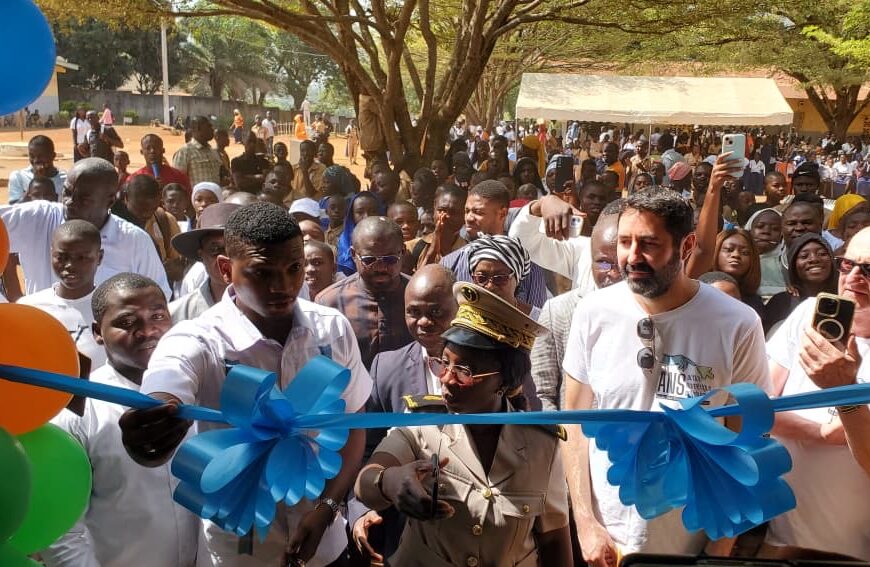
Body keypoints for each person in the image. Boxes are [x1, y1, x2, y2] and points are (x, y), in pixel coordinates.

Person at [121, 203, 372, 566]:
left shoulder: (331, 329)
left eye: (294, 268)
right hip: (241, 551)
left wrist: (327, 509)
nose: (283, 286)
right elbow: (170, 374)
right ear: (226, 269)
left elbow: (351, 428)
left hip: (326, 545)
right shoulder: (198, 338)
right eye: (262, 273)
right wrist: (156, 411)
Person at [562, 189, 771, 563]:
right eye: (625, 242)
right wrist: (584, 521)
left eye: (648, 244)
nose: (632, 257)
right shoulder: (592, 313)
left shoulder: (737, 324)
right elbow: (574, 423)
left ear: (687, 244)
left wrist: (721, 544)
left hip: (691, 542)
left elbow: (747, 437)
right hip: (607, 542)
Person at [355, 282, 571, 566]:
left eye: (464, 371)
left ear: (505, 381)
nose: (446, 379)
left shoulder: (541, 443)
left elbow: (554, 539)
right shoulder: (424, 422)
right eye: (443, 363)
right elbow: (366, 480)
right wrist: (389, 481)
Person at [42, 273, 198, 567]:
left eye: (158, 316)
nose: (148, 331)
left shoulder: (198, 392)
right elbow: (62, 532)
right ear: (97, 332)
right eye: (127, 322)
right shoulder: (78, 413)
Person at [761, 227, 870, 561]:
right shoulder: (807, 316)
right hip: (783, 534)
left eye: (869, 270)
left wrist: (845, 397)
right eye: (848, 264)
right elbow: (755, 408)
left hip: (855, 549)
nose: (854, 277)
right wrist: (820, 432)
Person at [0, 158, 170, 298]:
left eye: (83, 199)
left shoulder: (134, 242)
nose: (69, 203)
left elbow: (157, 297)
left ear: (110, 201)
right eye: (67, 192)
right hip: (42, 334)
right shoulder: (39, 218)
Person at [531, 201, 622, 411]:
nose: (614, 273)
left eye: (621, 263)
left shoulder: (654, 313)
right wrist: (566, 442)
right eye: (603, 263)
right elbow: (541, 394)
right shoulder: (558, 311)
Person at [316, 216, 413, 368]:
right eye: (369, 260)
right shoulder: (329, 302)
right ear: (354, 255)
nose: (380, 267)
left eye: (390, 259)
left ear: (403, 252)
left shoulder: (418, 295)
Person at [17, 220, 107, 371]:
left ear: (100, 257)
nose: (70, 265)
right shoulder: (28, 308)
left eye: (82, 258)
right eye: (61, 257)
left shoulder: (111, 310)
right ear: (51, 253)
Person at [508, 193, 595, 294]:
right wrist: (541, 205)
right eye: (602, 261)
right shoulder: (586, 250)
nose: (611, 271)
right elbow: (523, 242)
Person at [168, 203, 239, 323]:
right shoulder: (177, 315)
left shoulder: (271, 308)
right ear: (201, 255)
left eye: (234, 248)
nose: (224, 257)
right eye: (215, 249)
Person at [763, 233, 837, 334]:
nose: (814, 259)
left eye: (822, 254)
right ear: (793, 265)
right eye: (804, 256)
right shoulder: (780, 303)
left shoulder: (846, 300)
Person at [123, 175, 186, 286]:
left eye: (151, 209)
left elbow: (179, 269)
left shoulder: (165, 221)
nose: (146, 214)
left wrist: (171, 270)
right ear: (126, 198)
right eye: (140, 209)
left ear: (159, 201)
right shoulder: (112, 225)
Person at [406, 185, 467, 272]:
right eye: (441, 210)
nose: (446, 216)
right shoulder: (412, 248)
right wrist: (433, 251)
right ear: (434, 207)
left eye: (453, 212)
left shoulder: (469, 251)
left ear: (464, 215)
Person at [712, 227, 764, 315]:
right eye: (729, 250)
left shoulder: (755, 304)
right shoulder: (698, 292)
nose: (736, 255)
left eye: (745, 253)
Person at [8, 136, 67, 204]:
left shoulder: (66, 179)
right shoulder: (18, 177)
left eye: (40, 156)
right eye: (32, 156)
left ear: (53, 156)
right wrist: (36, 180)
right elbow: (13, 208)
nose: (35, 160)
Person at [336, 192, 385, 275]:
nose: (366, 216)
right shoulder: (345, 239)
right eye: (360, 212)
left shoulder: (389, 236)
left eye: (373, 211)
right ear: (352, 215)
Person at [745, 207, 787, 297]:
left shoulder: (786, 261)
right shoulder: (741, 260)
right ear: (749, 230)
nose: (766, 231)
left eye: (775, 229)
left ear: (782, 235)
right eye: (760, 226)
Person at [172, 116, 223, 187]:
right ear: (197, 128)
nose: (212, 130)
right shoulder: (184, 152)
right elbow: (177, 183)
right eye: (209, 126)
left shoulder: (213, 152)